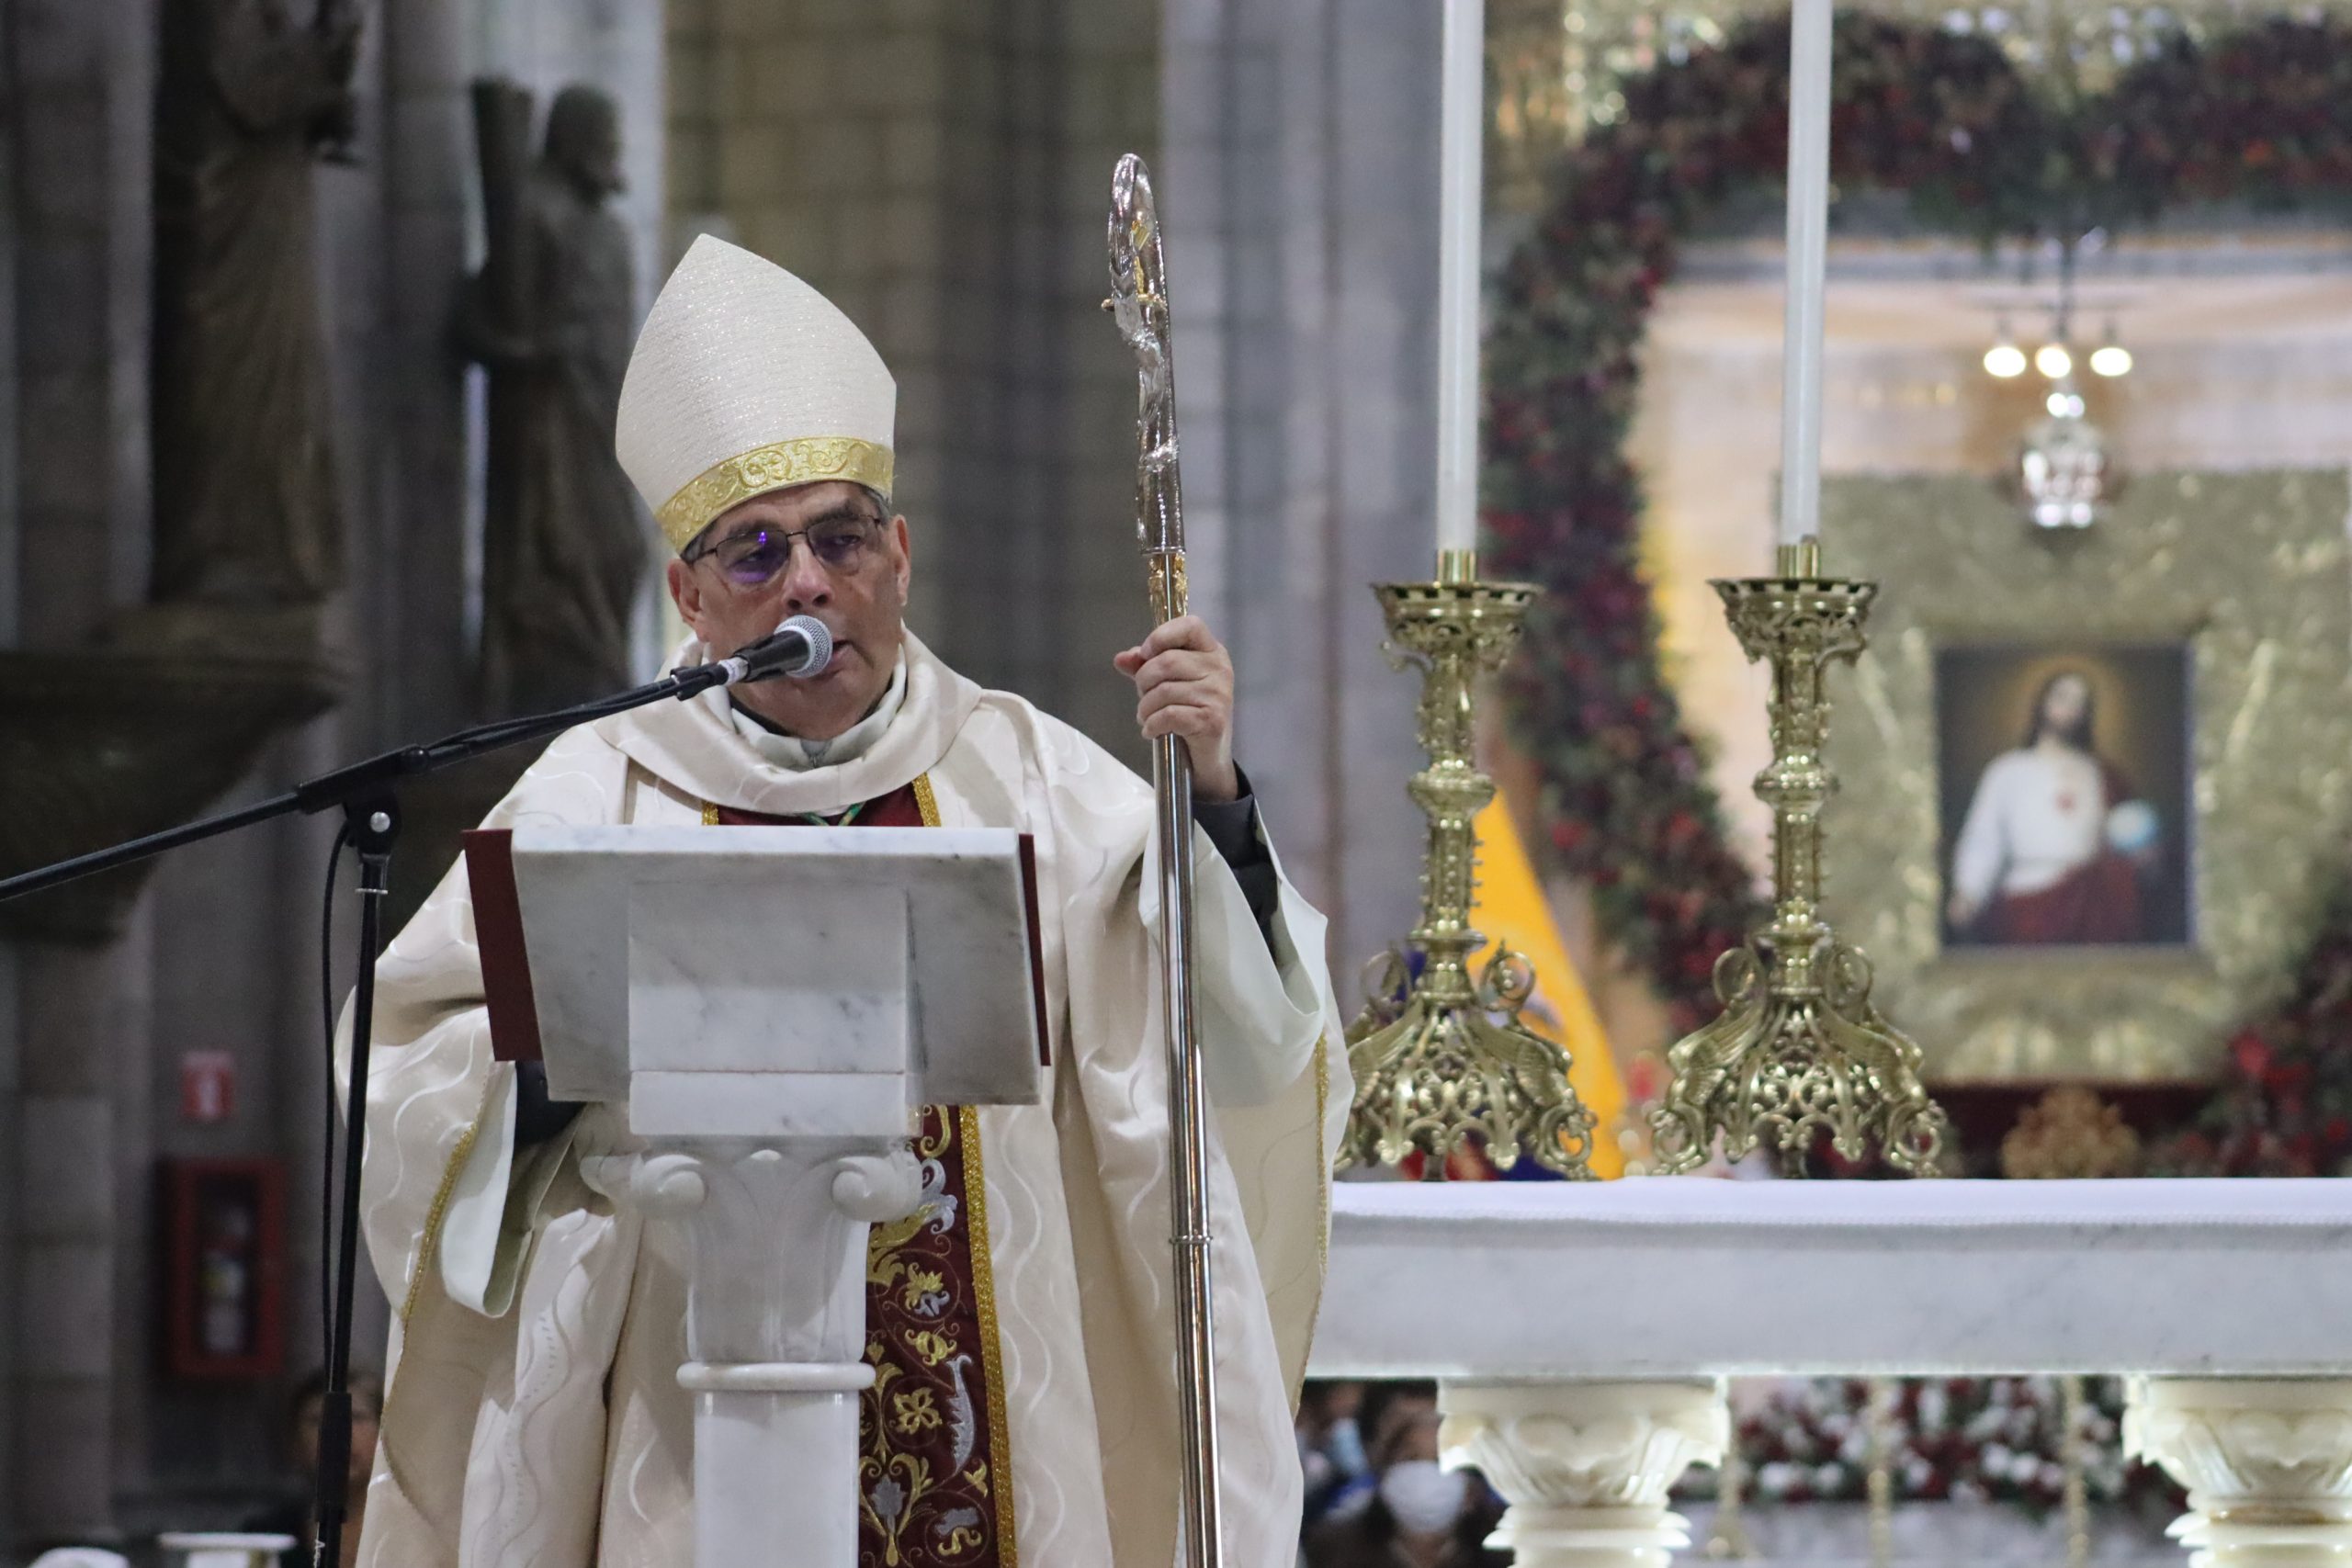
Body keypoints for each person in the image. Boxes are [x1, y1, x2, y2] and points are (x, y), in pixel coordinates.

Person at [345, 236, 1348, 1567]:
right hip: (684, 1401)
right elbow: (414, 1048)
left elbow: (1243, 1034)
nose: (805, 581)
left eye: (839, 535)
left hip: (996, 1428)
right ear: (689, 598)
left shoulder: (1029, 776)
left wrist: (1209, 785)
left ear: (902, 557)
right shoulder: (599, 791)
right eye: (754, 551)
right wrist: (538, 1084)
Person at [1947, 669, 2154, 945]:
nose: (2070, 708)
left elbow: (2124, 832)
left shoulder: (2100, 772)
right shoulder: (2008, 769)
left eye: (2080, 703)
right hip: (2027, 903)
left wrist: (2142, 854)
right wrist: (1969, 892)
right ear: (2043, 701)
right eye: (2062, 697)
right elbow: (1984, 837)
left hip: (2091, 906)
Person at [1305, 1382, 1504, 1568]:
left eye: (1440, 1461)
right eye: (1411, 1458)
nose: (1426, 1474)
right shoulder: (1332, 1552)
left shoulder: (1509, 1550)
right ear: (1383, 1468)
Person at [242, 1369, 381, 1568]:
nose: (338, 1433)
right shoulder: (266, 1537)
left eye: (356, 1417)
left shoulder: (413, 1533)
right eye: (317, 1420)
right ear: (295, 1440)